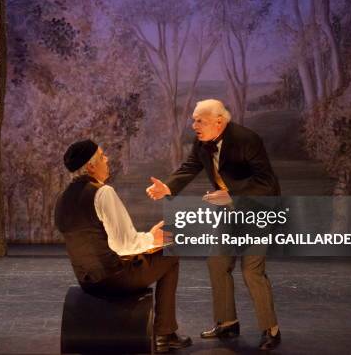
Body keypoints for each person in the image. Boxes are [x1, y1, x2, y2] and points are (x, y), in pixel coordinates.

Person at [146, 99, 282, 350]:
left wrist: (233, 194)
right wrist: (168, 186)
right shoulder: (203, 142)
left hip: (258, 208)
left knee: (251, 270)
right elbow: (189, 167)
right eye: (194, 119)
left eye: (200, 120)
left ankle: (271, 330)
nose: (194, 125)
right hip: (229, 209)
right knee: (217, 262)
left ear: (219, 122)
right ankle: (227, 323)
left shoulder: (246, 139)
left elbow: (266, 183)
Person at [54, 139, 192, 353]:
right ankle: (165, 333)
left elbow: (94, 238)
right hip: (115, 278)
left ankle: (165, 332)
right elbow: (124, 244)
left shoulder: (62, 199)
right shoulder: (102, 193)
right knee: (171, 254)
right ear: (90, 166)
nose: (107, 159)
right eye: (102, 156)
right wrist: (152, 239)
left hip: (87, 281)